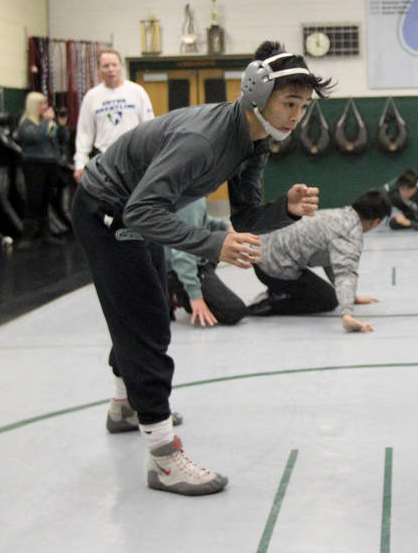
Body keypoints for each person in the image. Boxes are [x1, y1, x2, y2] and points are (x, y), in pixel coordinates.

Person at [70, 40, 330, 496]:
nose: (295, 116)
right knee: (147, 327)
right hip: (106, 211)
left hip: (135, 212)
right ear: (256, 94)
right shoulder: (204, 139)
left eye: (303, 107)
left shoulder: (255, 140)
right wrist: (212, 244)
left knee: (142, 318)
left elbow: (245, 217)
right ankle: (164, 458)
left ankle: (125, 406)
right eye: (289, 103)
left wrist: (283, 210)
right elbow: (139, 212)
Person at [247, 190, 391, 332]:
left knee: (325, 291)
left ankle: (279, 290)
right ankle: (270, 303)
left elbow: (331, 260)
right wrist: (347, 315)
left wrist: (351, 297)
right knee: (328, 299)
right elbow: (345, 272)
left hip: (264, 252)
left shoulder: (340, 214)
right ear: (375, 222)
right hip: (272, 267)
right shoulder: (350, 235)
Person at [73, 49, 154, 182]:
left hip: (134, 159)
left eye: (114, 65)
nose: (111, 69)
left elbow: (149, 127)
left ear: (121, 67)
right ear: (99, 70)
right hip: (105, 160)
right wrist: (80, 164)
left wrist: (152, 158)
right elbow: (84, 133)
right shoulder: (92, 96)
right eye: (105, 66)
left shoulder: (137, 91)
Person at [166, 198, 247, 327]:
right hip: (177, 267)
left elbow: (202, 221)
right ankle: (179, 292)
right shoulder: (187, 200)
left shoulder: (194, 194)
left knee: (221, 238)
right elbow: (182, 249)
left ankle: (189, 288)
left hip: (191, 259)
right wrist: (195, 296)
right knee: (234, 311)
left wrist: (226, 227)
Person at [14, 92, 69, 245]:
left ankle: (46, 233)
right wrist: (46, 122)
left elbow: (58, 140)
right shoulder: (26, 124)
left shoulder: (48, 123)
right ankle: (27, 236)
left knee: (46, 198)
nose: (46, 107)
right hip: (34, 163)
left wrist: (62, 126)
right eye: (42, 104)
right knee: (34, 198)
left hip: (50, 163)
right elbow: (35, 138)